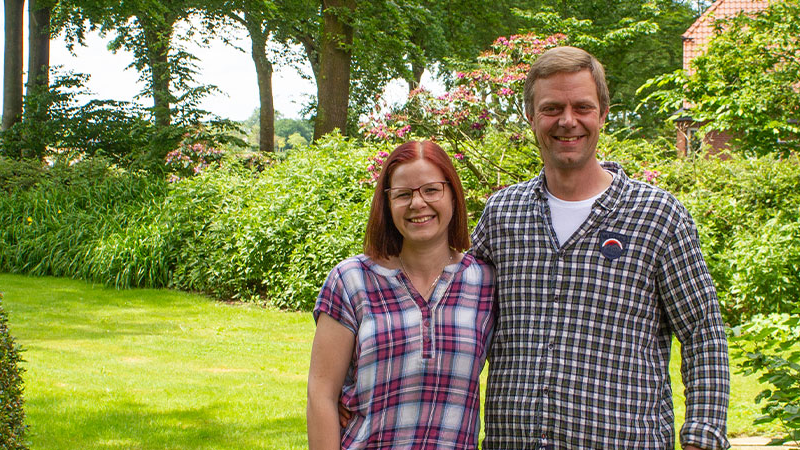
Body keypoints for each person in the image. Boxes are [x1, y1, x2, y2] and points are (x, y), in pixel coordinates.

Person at [471, 46, 731, 449]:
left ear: (603, 114)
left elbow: (703, 333)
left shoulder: (657, 216)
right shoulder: (502, 215)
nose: (568, 121)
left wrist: (702, 437)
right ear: (531, 117)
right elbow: (451, 315)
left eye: (582, 107)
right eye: (552, 108)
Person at [307, 140, 494, 450]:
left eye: (431, 190)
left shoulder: (484, 283)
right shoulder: (352, 280)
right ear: (387, 203)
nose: (417, 203)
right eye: (403, 194)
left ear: (453, 195)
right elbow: (322, 395)